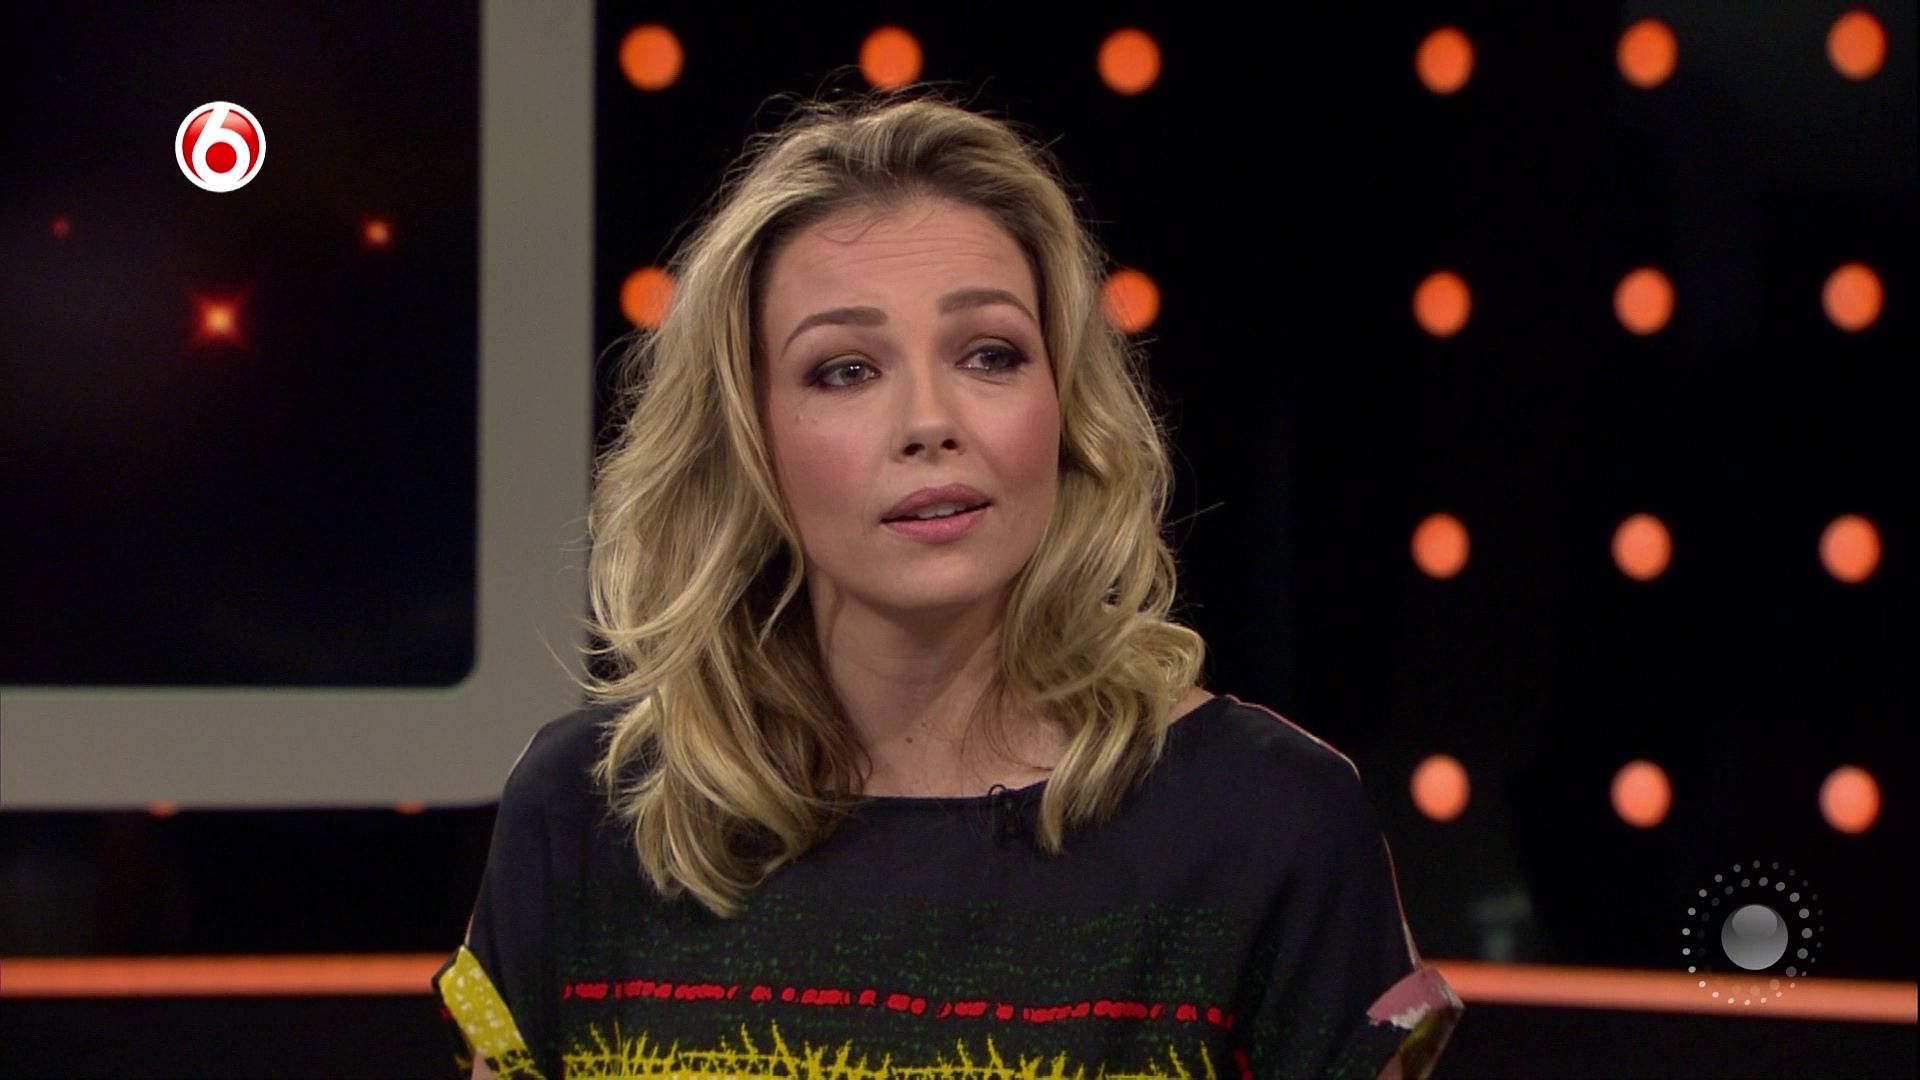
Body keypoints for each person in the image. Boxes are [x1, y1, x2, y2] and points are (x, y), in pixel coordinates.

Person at [434, 90, 1461, 1079]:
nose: (930, 422)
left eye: (990, 354)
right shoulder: (592, 813)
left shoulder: (1269, 823)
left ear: (1064, 407)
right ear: (748, 439)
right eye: (845, 369)